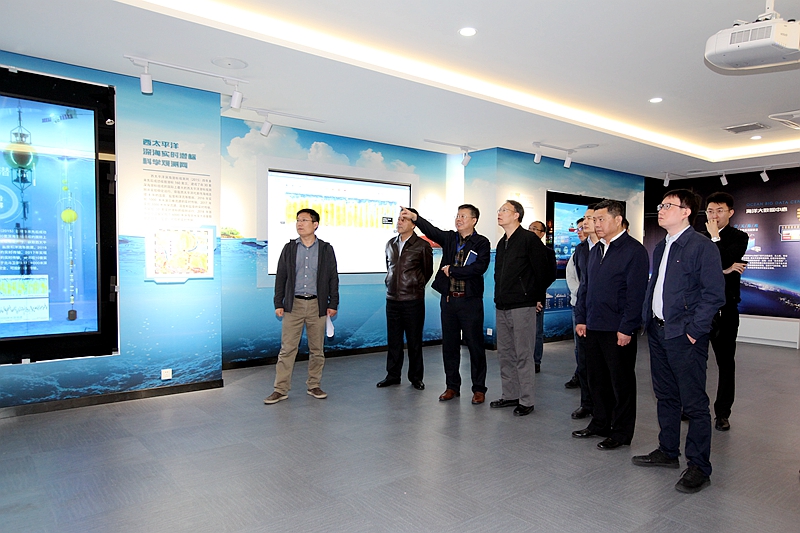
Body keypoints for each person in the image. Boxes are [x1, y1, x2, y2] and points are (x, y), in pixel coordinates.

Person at [634, 189, 725, 494]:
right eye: (661, 205)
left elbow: (714, 295)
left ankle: (699, 466)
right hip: (659, 332)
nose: (661, 210)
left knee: (694, 403)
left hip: (684, 335)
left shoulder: (702, 246)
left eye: (668, 205)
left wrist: (694, 330)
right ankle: (668, 451)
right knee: (666, 395)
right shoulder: (662, 246)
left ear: (686, 212)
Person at [573, 199, 649, 449]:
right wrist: (581, 318)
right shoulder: (596, 250)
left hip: (618, 329)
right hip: (593, 326)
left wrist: (627, 328)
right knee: (597, 379)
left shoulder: (634, 251)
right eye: (594, 220)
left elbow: (636, 295)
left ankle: (622, 432)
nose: (596, 224)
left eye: (601, 219)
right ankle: (600, 423)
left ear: (618, 220)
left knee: (621, 382)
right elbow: (585, 288)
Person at [400, 205, 491, 404]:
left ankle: (478, 389)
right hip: (449, 301)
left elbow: (479, 268)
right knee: (449, 346)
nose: (459, 219)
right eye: (457, 215)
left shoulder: (482, 242)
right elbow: (431, 230)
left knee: (475, 346)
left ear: (474, 220)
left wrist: (453, 271)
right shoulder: (450, 238)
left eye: (463, 216)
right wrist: (415, 217)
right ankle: (452, 386)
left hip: (470, 302)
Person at [264, 208, 339, 404]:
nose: (299, 223)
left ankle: (314, 385)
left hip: (317, 305)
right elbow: (281, 277)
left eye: (304, 220)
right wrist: (278, 302)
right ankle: (280, 389)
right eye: (298, 220)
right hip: (293, 305)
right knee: (287, 349)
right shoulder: (289, 248)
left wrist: (333, 303)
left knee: (317, 349)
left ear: (315, 225)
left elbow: (333, 277)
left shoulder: (326, 249)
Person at [492, 201, 554, 416]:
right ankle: (510, 395)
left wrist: (534, 296)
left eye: (504, 210)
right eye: (499, 210)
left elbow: (544, 272)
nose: (500, 213)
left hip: (522, 305)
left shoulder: (529, 239)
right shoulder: (502, 243)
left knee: (523, 354)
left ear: (516, 215)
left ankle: (526, 400)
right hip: (502, 305)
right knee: (505, 354)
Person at [703, 192, 748, 432]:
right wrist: (724, 269)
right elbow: (700, 270)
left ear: (730, 212)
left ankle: (722, 413)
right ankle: (693, 406)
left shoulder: (739, 237)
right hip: (701, 309)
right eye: (710, 211)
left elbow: (723, 259)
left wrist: (714, 237)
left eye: (719, 210)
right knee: (696, 361)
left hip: (726, 308)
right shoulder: (699, 237)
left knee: (725, 363)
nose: (714, 215)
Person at [377, 207, 434, 390]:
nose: (399, 222)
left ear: (413, 223)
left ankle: (416, 377)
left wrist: (415, 286)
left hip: (412, 300)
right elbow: (389, 268)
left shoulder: (422, 245)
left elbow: (427, 271)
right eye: (399, 219)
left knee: (414, 341)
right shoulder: (390, 244)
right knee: (394, 340)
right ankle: (393, 375)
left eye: (404, 219)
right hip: (392, 299)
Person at [566, 209, 599, 420]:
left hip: (604, 315)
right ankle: (587, 403)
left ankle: (604, 409)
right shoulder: (580, 250)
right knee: (584, 359)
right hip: (582, 310)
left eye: (590, 219)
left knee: (601, 364)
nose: (585, 223)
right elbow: (574, 278)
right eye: (584, 219)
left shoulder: (610, 248)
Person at [528, 220, 557, 374]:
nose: (531, 231)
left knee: (536, 331)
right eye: (529, 228)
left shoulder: (548, 252)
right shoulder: (521, 249)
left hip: (537, 297)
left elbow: (550, 275)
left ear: (542, 234)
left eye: (535, 229)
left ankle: (535, 361)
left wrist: (537, 294)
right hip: (520, 298)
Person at [564, 216, 585, 390]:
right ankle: (580, 374)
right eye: (578, 229)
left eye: (583, 228)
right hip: (577, 304)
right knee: (579, 345)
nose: (579, 232)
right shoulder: (576, 253)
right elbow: (570, 276)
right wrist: (580, 293)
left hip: (595, 307)